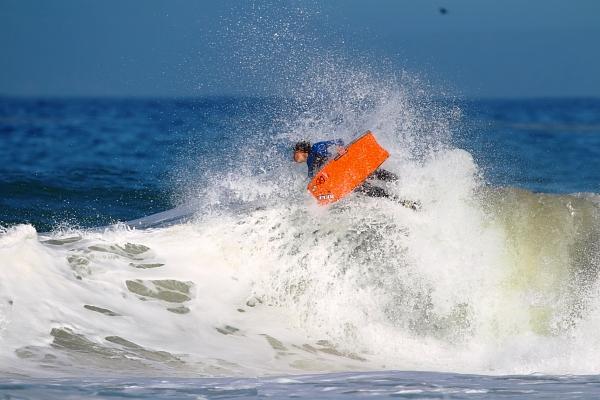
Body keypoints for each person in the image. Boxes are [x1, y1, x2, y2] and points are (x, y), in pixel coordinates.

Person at [293, 139, 420, 209]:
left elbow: (338, 142)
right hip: (345, 179)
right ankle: (404, 202)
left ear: (301, 150)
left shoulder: (315, 148)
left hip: (349, 166)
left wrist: (339, 148)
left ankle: (410, 186)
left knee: (382, 175)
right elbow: (316, 182)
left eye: (295, 153)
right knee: (375, 191)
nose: (294, 157)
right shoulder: (310, 167)